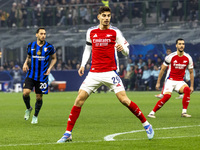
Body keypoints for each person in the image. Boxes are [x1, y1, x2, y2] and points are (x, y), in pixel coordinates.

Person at [57, 6, 154, 143]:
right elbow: (88, 48)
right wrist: (83, 64)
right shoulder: (91, 31)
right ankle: (68, 133)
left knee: (124, 100)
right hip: (94, 72)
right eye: (104, 15)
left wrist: (123, 50)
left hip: (110, 72)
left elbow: (126, 50)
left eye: (108, 15)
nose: (106, 18)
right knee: (79, 100)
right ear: (99, 17)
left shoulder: (115, 32)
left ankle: (146, 125)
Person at [148, 38, 194, 118]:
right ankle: (152, 113)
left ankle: (184, 112)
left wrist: (192, 86)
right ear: (176, 45)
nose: (181, 45)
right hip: (170, 81)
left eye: (183, 44)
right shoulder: (171, 57)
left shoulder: (188, 57)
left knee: (187, 90)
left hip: (180, 82)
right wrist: (158, 82)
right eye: (179, 44)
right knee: (167, 97)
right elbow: (162, 70)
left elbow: (191, 72)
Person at [22, 27, 57, 124]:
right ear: (36, 35)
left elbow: (54, 58)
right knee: (26, 93)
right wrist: (25, 63)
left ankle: (35, 116)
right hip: (31, 74)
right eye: (41, 33)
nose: (43, 35)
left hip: (43, 76)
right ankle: (28, 108)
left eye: (45, 34)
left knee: (39, 97)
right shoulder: (31, 45)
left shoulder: (49, 47)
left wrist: (49, 68)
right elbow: (29, 57)